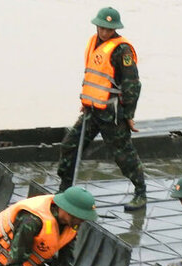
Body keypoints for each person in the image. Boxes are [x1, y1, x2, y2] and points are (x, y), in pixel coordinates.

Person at [56, 7, 147, 211]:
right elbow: (93, 74)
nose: (104, 32)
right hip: (92, 110)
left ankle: (140, 192)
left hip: (112, 113)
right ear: (97, 25)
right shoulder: (93, 42)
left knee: (124, 155)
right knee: (69, 145)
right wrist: (86, 100)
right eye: (102, 27)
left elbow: (132, 85)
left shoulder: (122, 50)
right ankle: (65, 187)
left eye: (108, 29)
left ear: (114, 29)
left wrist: (129, 115)